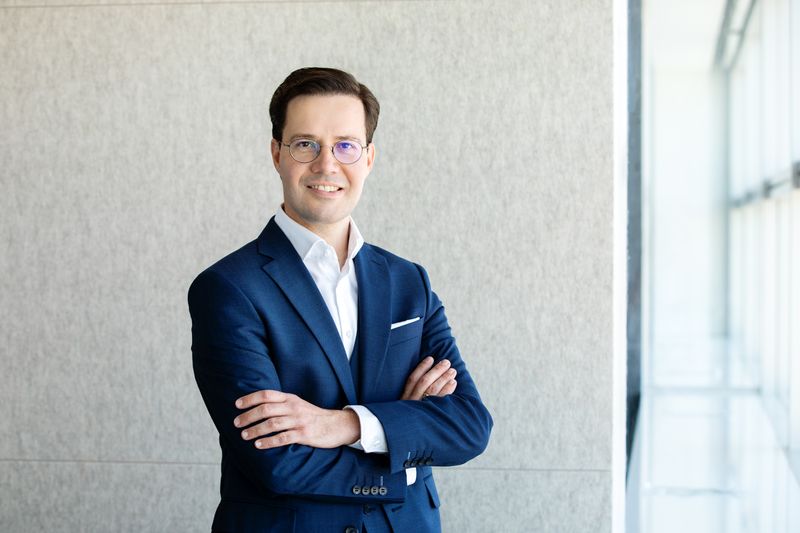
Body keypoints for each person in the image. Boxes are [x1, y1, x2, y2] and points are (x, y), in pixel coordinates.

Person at [189, 67, 492, 533]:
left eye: (345, 146)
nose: (327, 165)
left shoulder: (409, 281)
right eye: (305, 144)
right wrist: (405, 451)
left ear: (369, 157)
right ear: (277, 154)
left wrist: (345, 425)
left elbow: (469, 425)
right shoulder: (228, 289)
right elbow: (277, 462)